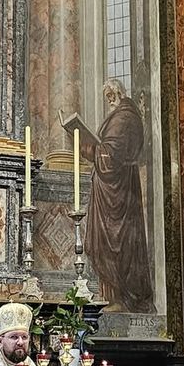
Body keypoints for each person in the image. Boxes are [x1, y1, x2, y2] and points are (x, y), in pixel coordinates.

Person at [63, 80, 153, 311]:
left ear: (121, 93)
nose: (110, 99)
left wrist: (90, 148)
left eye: (112, 94)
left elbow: (111, 156)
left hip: (118, 191)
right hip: (108, 188)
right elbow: (107, 152)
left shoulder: (125, 118)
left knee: (115, 241)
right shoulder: (120, 116)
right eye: (107, 96)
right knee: (105, 243)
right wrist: (88, 147)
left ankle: (121, 299)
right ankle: (112, 298)